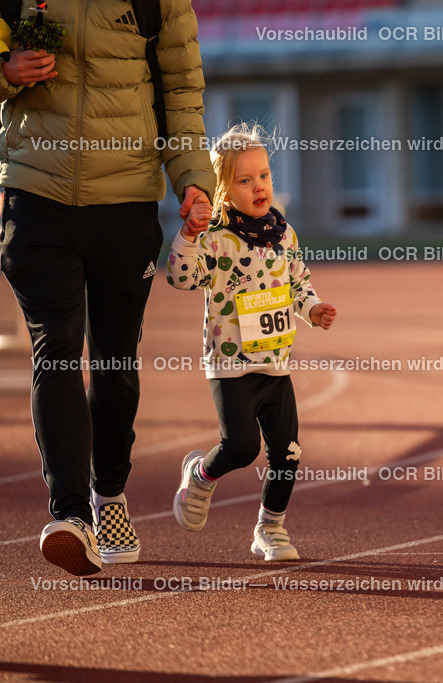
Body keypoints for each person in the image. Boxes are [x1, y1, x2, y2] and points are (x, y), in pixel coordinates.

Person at [0, 0, 215, 575]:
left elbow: (181, 92)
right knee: (59, 348)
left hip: (125, 203)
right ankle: (69, 515)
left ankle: (108, 492)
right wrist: (4, 71)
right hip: (36, 196)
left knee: (116, 363)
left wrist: (193, 180)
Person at [168, 123, 336, 562]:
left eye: (264, 175)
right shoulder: (216, 238)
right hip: (231, 364)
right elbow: (181, 277)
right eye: (245, 180)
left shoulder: (284, 234)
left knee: (288, 452)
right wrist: (187, 236)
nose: (259, 186)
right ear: (224, 188)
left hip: (276, 363)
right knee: (241, 447)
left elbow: (299, 283)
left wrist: (313, 309)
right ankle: (201, 475)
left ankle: (270, 528)